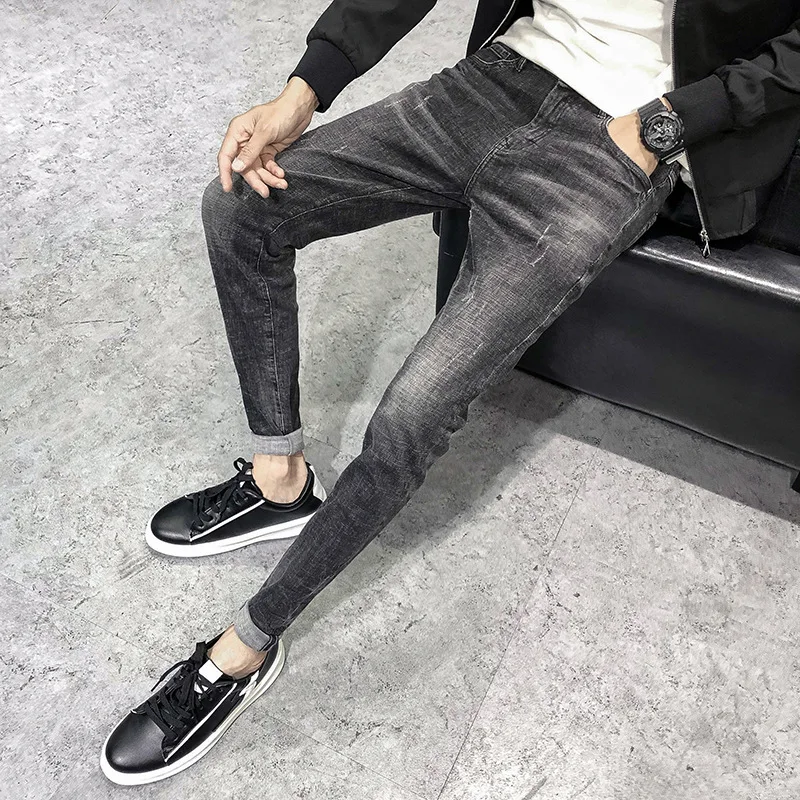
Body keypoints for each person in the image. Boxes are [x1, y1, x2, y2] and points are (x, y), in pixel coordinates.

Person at [100, 0, 800, 785]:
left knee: (411, 418)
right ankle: (279, 481)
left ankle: (244, 649)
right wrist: (305, 88)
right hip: (502, 77)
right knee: (238, 209)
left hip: (621, 142)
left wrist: (666, 125)